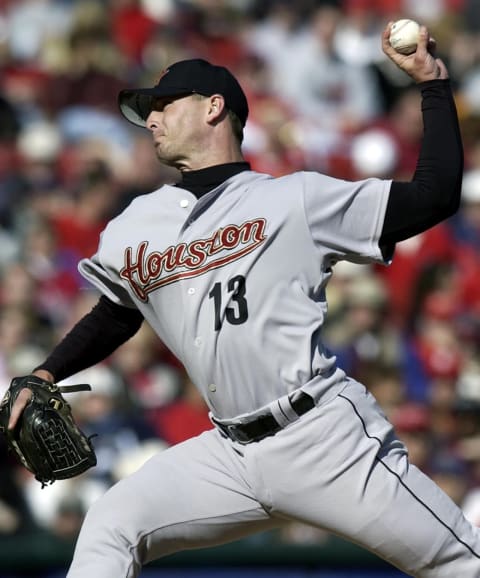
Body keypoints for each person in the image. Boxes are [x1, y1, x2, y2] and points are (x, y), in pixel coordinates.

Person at [6, 22, 480, 577]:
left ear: (213, 108)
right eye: (146, 110)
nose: (150, 119)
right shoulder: (138, 222)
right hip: (228, 451)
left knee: (460, 563)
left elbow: (434, 195)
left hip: (320, 435)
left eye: (162, 104)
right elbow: (118, 311)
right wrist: (46, 370)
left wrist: (432, 86)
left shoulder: (295, 199)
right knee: (112, 522)